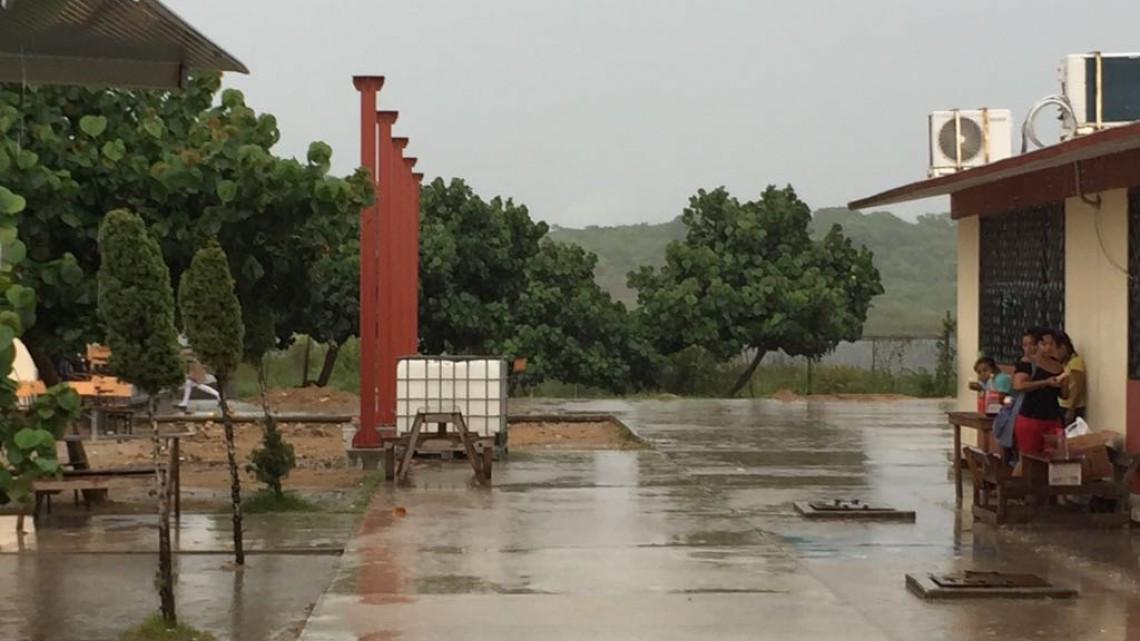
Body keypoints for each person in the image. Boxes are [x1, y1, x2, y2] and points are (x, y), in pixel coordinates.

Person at [1012, 328, 1069, 455]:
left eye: (1052, 344)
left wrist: (1064, 385)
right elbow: (1018, 385)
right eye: (1044, 344)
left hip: (1053, 418)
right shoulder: (1027, 363)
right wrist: (1045, 382)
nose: (1048, 348)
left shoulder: (1058, 365)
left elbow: (1065, 396)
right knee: (1028, 459)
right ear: (1037, 345)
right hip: (1030, 417)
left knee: (1054, 457)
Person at [1054, 332, 1087, 425]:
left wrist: (1071, 410)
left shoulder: (1075, 363)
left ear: (1063, 348)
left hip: (1072, 407)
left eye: (1056, 350)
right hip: (1062, 404)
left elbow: (1078, 388)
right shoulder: (1064, 363)